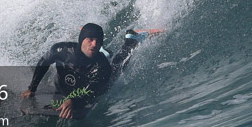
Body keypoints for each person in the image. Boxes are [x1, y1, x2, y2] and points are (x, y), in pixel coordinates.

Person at [21, 23, 160, 119]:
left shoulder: (102, 67)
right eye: (90, 39)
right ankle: (104, 51)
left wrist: (73, 102)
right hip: (73, 78)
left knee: (118, 65)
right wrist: (32, 88)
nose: (94, 44)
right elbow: (44, 62)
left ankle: (131, 40)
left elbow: (91, 92)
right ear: (82, 39)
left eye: (98, 41)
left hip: (94, 81)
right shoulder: (61, 51)